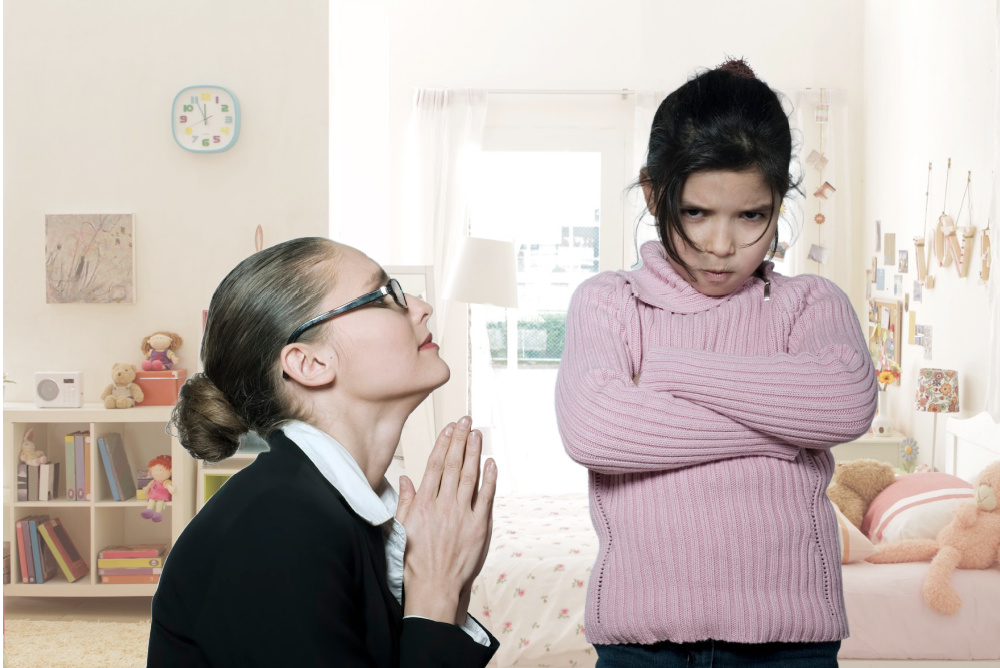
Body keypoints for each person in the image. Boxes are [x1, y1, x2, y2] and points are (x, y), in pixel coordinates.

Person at [555, 59, 877, 667]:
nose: (723, 246)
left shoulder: (810, 303)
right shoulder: (610, 302)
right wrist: (783, 432)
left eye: (751, 216)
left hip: (793, 641)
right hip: (641, 641)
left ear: (778, 202)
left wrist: (673, 371)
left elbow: (846, 403)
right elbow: (595, 431)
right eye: (697, 213)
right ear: (654, 194)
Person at [148, 237, 500, 667]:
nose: (422, 307)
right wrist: (436, 594)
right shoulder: (275, 526)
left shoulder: (330, 509)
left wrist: (445, 584)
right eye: (386, 296)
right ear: (310, 363)